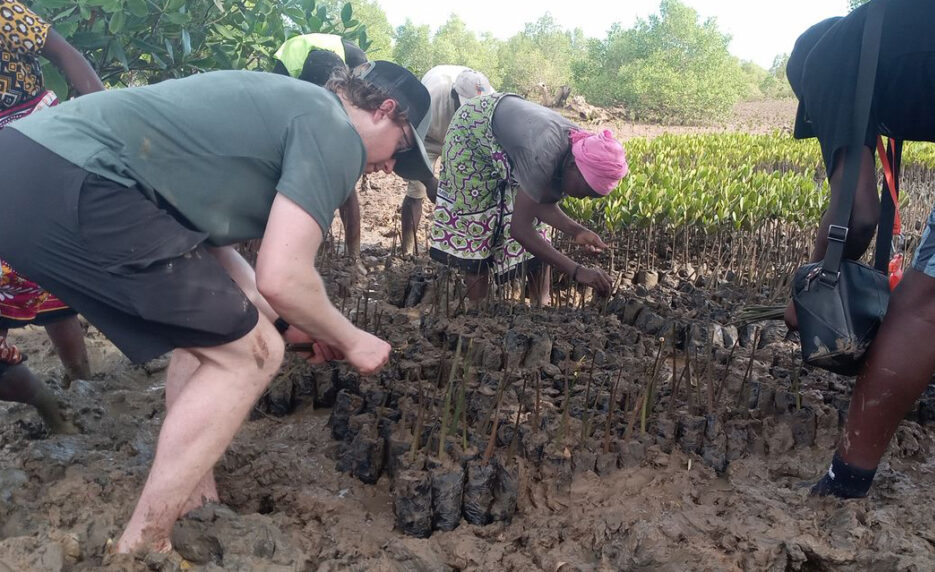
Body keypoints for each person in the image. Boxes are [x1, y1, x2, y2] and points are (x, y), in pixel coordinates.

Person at [0, 60, 432, 553]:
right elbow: (282, 275)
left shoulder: (287, 106)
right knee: (254, 355)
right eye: (400, 148)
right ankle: (144, 546)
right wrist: (354, 340)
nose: (392, 166)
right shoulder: (334, 129)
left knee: (221, 337)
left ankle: (195, 498)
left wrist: (289, 322)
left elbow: (212, 259)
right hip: (73, 179)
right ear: (384, 111)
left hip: (24, 168)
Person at [785, 0, 935, 499]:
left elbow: (857, 212)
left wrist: (807, 290)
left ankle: (844, 484)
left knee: (924, 305)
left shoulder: (827, 61)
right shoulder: (891, 41)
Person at [0, 0, 102, 430]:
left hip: (37, 134)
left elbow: (64, 54)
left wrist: (104, 116)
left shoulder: (4, 12)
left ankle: (81, 384)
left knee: (41, 266)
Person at [429, 93, 628, 304]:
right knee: (478, 223)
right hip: (471, 133)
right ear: (573, 167)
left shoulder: (579, 145)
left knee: (539, 231)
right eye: (585, 191)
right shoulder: (545, 153)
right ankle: (479, 311)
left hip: (516, 140)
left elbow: (538, 203)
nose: (583, 198)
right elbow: (520, 229)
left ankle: (540, 305)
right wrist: (577, 271)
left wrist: (577, 231)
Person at [272, 33, 369, 262]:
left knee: (345, 181)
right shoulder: (286, 70)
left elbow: (364, 105)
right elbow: (277, 110)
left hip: (337, 86)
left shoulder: (355, 59)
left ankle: (353, 253)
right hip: (295, 90)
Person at [398, 65, 495, 255]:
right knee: (416, 191)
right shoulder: (430, 95)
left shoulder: (490, 99)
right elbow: (409, 142)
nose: (470, 111)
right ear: (453, 95)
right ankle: (407, 251)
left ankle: (460, 249)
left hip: (464, 141)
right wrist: (429, 181)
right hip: (427, 137)